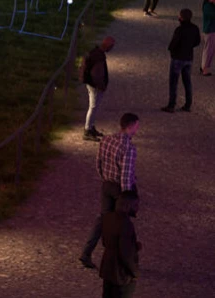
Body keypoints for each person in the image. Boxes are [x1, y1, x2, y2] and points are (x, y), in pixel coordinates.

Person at [80, 113, 139, 269]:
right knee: (122, 225)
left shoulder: (107, 140)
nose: (137, 129)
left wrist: (104, 178)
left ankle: (86, 252)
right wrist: (127, 196)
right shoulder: (129, 148)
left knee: (102, 219)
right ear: (130, 126)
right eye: (136, 126)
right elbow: (126, 176)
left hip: (106, 185)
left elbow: (98, 162)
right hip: (120, 190)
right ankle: (124, 260)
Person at [100, 191, 141, 298]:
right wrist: (135, 273)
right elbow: (126, 255)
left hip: (108, 269)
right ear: (128, 206)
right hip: (121, 275)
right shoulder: (126, 225)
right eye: (135, 205)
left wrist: (134, 246)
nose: (137, 208)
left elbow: (105, 242)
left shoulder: (107, 217)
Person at [162, 8, 201, 112]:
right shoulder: (195, 28)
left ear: (181, 17)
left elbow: (174, 43)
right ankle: (188, 104)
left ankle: (171, 105)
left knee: (174, 82)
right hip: (189, 58)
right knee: (187, 81)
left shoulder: (179, 30)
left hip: (178, 58)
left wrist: (172, 51)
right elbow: (197, 41)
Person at [81, 36, 115, 141]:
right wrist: (101, 86)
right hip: (95, 86)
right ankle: (87, 130)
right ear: (109, 46)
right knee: (93, 107)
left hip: (91, 84)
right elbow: (97, 75)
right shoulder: (99, 58)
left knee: (93, 107)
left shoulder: (95, 52)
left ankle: (91, 127)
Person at [201, 0, 215, 76]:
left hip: (212, 30)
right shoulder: (207, 6)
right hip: (210, 31)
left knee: (209, 50)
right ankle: (205, 68)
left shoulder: (211, 6)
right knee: (208, 50)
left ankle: (204, 66)